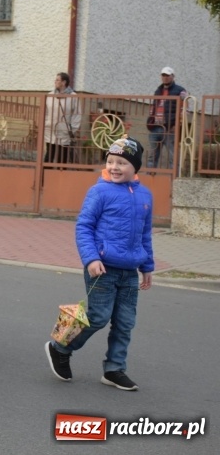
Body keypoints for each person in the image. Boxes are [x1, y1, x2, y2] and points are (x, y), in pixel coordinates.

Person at [45, 136, 153, 391]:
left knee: (125, 322)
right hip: (102, 267)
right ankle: (59, 346)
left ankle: (114, 369)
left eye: (122, 163)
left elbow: (145, 233)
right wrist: (91, 258)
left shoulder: (145, 195)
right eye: (110, 161)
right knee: (98, 316)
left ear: (135, 167)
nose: (114, 167)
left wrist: (147, 266)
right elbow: (84, 227)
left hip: (129, 271)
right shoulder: (99, 191)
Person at [147, 66, 186, 169]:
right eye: (163, 75)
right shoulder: (158, 90)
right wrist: (150, 119)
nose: (165, 77)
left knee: (173, 156)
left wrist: (178, 124)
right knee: (152, 156)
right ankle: (150, 178)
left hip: (169, 128)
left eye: (167, 75)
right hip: (155, 127)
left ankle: (174, 181)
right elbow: (154, 106)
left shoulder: (180, 90)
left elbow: (184, 108)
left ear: (173, 76)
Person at [43, 72, 81, 163]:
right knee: (49, 155)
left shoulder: (73, 96)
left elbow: (77, 114)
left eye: (57, 80)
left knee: (62, 156)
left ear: (64, 82)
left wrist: (72, 129)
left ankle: (60, 174)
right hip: (50, 129)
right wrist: (46, 124)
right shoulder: (50, 95)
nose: (55, 81)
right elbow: (46, 112)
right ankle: (47, 175)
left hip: (64, 131)